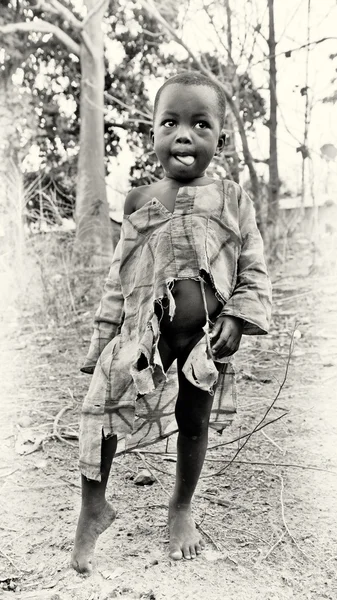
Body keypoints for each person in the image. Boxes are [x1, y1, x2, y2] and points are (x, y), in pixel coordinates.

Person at [71, 71, 272, 574]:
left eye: (200, 124)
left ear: (219, 139)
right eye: (171, 123)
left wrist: (240, 317)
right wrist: (101, 343)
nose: (184, 135)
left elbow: (253, 267)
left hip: (204, 339)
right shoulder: (139, 200)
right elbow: (120, 280)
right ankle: (93, 507)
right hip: (143, 335)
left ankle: (180, 508)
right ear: (154, 134)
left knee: (194, 421)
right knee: (102, 408)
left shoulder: (233, 198)